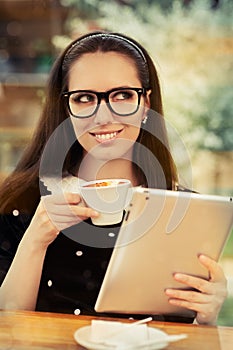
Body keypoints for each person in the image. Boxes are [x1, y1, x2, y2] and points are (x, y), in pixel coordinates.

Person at [0, 31, 227, 325]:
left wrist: (206, 316)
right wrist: (35, 240)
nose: (103, 116)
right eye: (84, 98)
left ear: (146, 103)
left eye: (122, 95)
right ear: (66, 108)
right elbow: (7, 324)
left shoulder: (184, 210)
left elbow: (182, 328)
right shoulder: (21, 201)